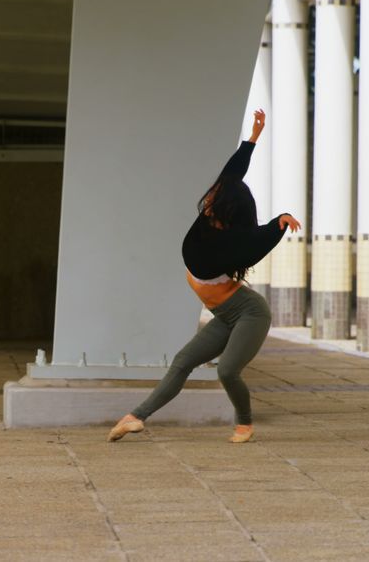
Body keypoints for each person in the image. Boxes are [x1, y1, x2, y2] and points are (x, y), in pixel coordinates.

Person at [107, 108, 301, 444]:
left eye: (215, 199)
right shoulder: (206, 228)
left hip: (248, 313)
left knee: (226, 370)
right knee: (183, 361)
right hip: (225, 316)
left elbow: (257, 241)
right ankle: (135, 417)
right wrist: (252, 139)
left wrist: (279, 222)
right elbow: (232, 174)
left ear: (227, 209)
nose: (207, 199)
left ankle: (244, 424)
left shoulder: (232, 245)